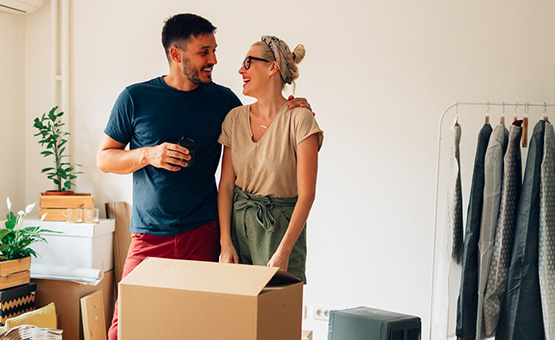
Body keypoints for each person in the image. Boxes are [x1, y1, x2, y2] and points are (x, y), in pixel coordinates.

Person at [96, 14, 310, 340]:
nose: (214, 60)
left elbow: (262, 117)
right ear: (176, 55)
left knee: (200, 326)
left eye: (214, 50)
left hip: (204, 234)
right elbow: (104, 159)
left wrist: (295, 106)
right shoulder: (135, 98)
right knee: (124, 330)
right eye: (204, 52)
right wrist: (148, 154)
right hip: (149, 236)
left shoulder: (223, 101)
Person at [218, 36, 323, 283]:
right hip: (238, 228)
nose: (240, 70)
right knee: (238, 316)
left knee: (276, 316)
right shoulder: (234, 118)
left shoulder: (300, 119)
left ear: (272, 67)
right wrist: (225, 243)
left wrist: (283, 252)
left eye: (248, 62)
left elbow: (307, 194)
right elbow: (226, 186)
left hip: (280, 232)